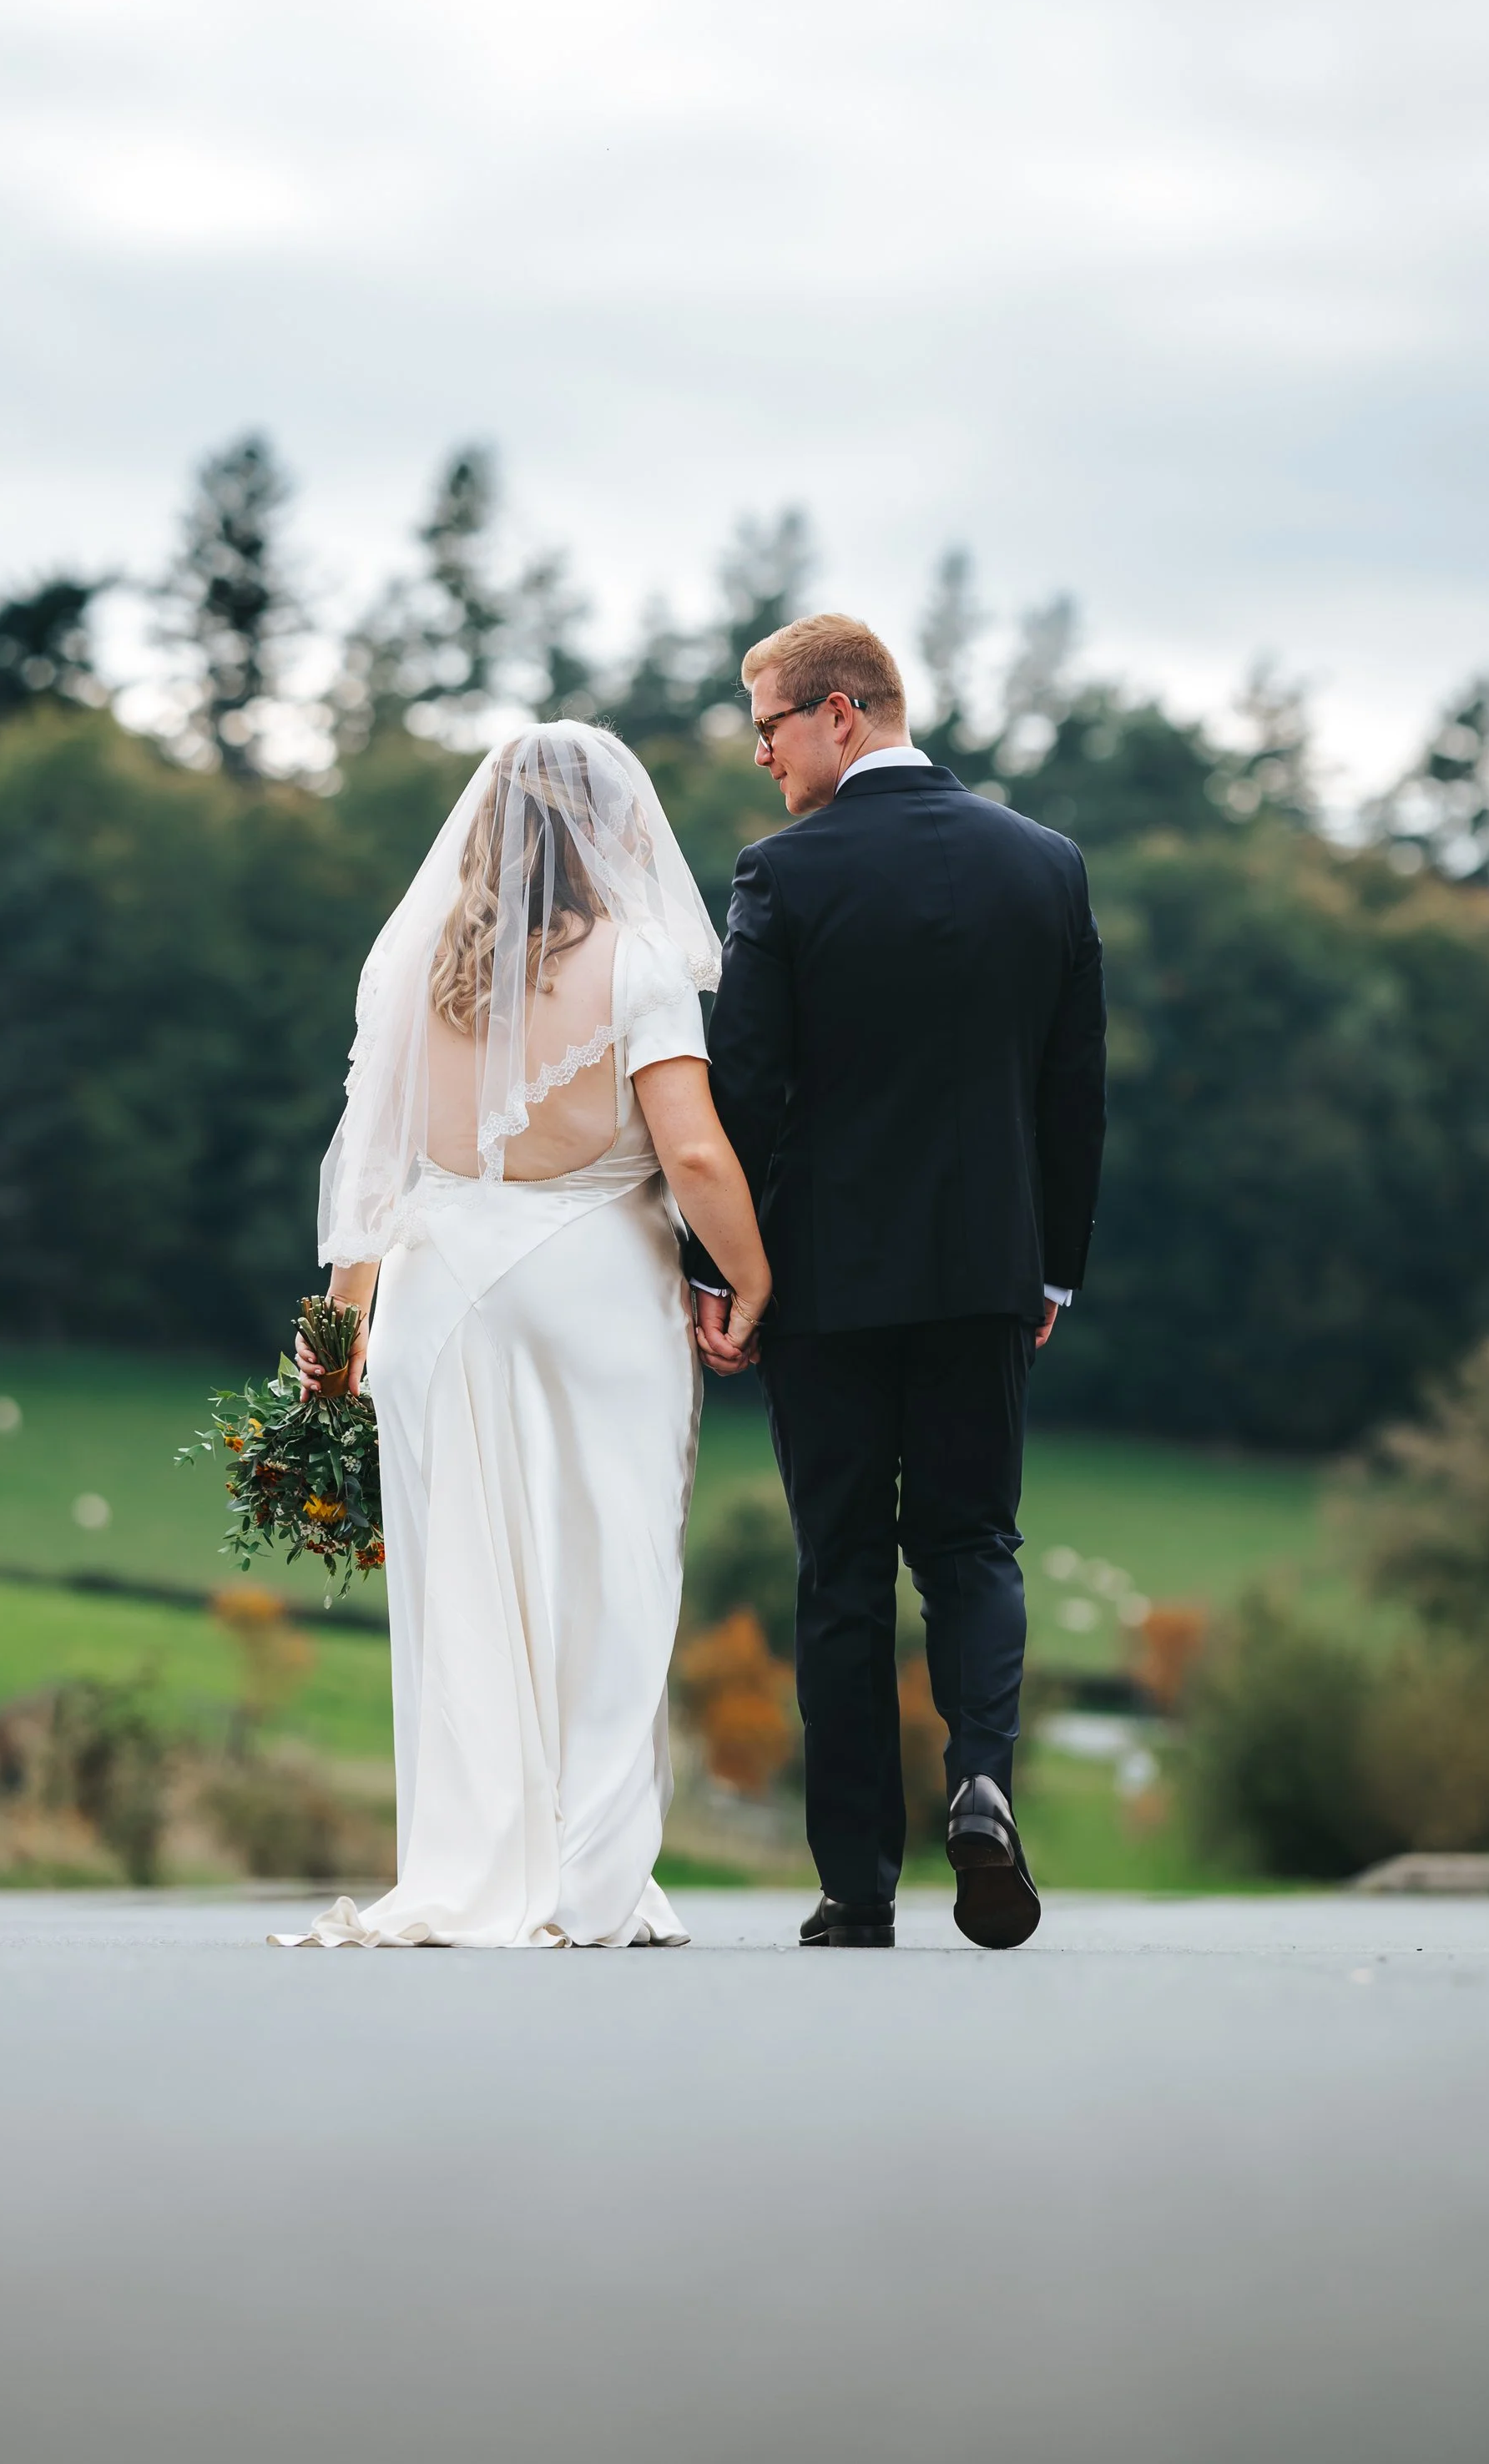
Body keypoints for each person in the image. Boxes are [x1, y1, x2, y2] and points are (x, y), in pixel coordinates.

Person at [270, 724, 770, 1951]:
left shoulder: (416, 969)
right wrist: (753, 1277)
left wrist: (339, 1339)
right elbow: (695, 1151)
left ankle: (472, 1861)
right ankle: (587, 1879)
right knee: (610, 1576)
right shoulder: (640, 960)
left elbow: (373, 1176)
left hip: (437, 1300)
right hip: (594, 1291)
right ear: (609, 836)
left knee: (463, 1595)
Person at [684, 613, 1106, 1951]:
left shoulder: (782, 878)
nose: (762, 758)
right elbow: (1073, 1094)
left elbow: (739, 1089)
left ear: (843, 714)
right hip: (990, 1268)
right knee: (976, 1542)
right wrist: (1055, 1270)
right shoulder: (1046, 867)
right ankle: (981, 1779)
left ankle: (858, 1885)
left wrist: (721, 1271)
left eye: (770, 727)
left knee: (845, 1571)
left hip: (826, 1283)